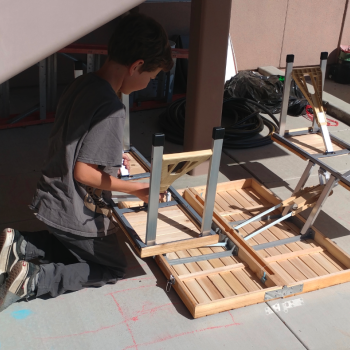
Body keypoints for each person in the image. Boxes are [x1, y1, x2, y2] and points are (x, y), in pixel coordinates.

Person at [0, 13, 173, 312]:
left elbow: (77, 140)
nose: (147, 84)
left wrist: (110, 157)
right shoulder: (112, 108)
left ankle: (19, 244)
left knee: (75, 248)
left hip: (52, 197)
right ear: (137, 67)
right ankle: (34, 279)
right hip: (75, 211)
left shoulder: (83, 85)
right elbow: (83, 172)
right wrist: (137, 190)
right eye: (151, 77)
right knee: (112, 267)